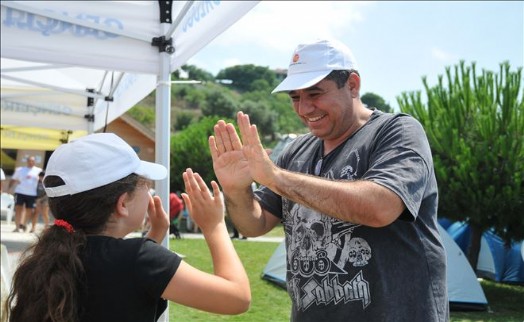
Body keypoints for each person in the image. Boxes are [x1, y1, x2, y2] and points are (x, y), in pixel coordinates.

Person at [210, 39, 448, 321]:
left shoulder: (397, 131)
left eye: (315, 93)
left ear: (353, 85)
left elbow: (381, 207)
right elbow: (254, 224)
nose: (304, 108)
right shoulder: (296, 150)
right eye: (295, 97)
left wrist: (275, 177)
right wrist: (238, 190)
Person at [5, 133, 250, 322]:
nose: (150, 191)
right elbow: (237, 298)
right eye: (144, 184)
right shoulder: (141, 258)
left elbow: (117, 277)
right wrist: (215, 225)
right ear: (123, 203)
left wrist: (153, 237)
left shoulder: (43, 257)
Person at [8, 155, 42, 232]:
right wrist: (9, 189)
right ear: (27, 161)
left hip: (32, 194)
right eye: (29, 161)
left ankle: (24, 224)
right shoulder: (20, 170)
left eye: (32, 161)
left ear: (34, 162)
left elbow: (43, 181)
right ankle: (17, 227)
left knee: (29, 210)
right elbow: (13, 179)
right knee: (18, 209)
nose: (31, 162)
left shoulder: (38, 170)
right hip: (20, 192)